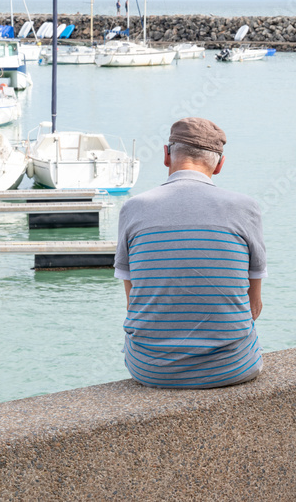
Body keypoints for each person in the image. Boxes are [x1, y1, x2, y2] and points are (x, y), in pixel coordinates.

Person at [114, 118, 266, 389]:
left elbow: (131, 301)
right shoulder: (246, 208)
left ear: (166, 155)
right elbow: (254, 307)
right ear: (219, 164)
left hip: (149, 369)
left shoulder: (133, 208)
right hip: (233, 368)